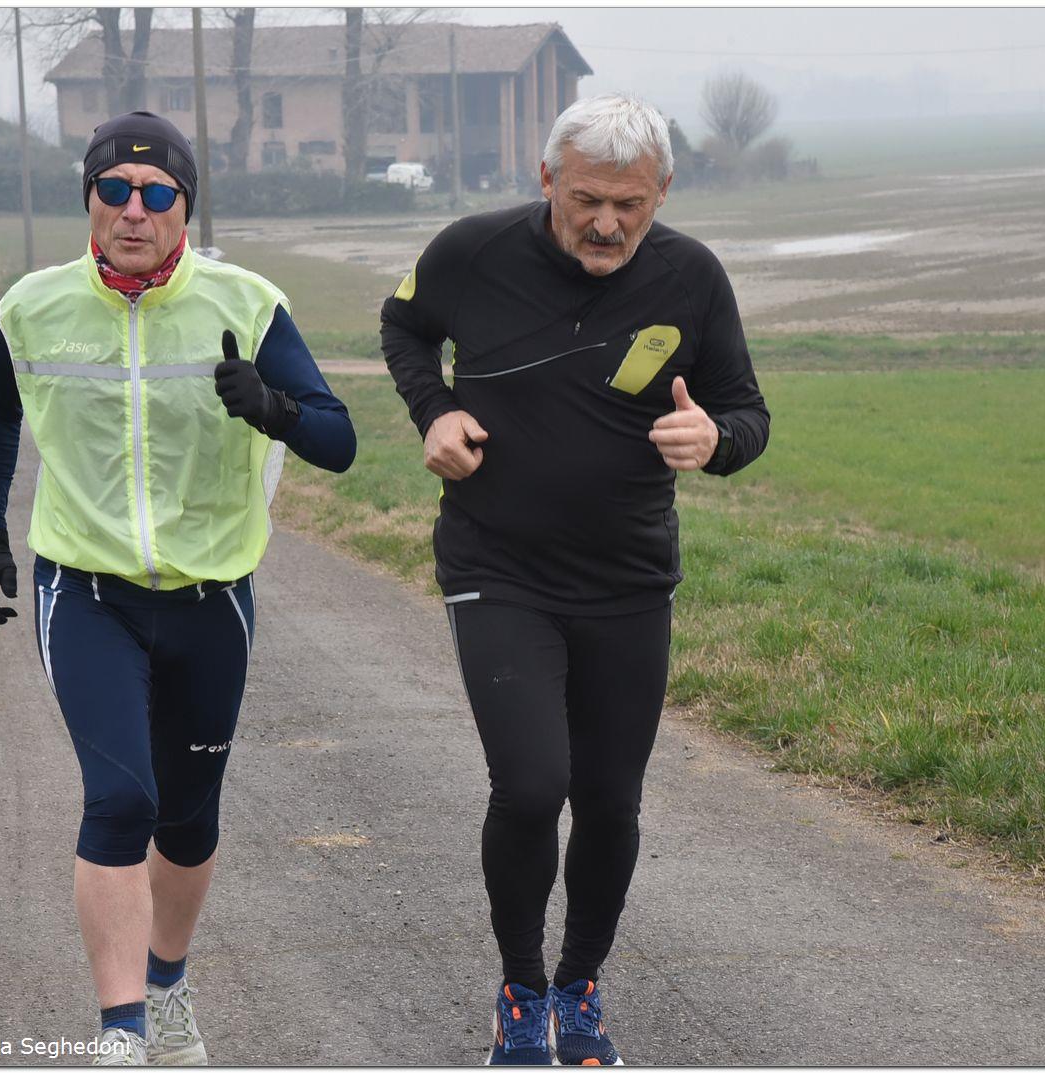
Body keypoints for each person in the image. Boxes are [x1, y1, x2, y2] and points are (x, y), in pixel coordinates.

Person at [0, 110, 355, 1066]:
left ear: (185, 207)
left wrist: (271, 406)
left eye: (156, 193)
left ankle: (168, 985)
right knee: (120, 798)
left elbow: (338, 439)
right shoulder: (32, 306)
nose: (133, 210)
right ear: (89, 201)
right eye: (114, 190)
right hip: (84, 590)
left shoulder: (247, 302)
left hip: (210, 598)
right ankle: (122, 1033)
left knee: (186, 816)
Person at [380, 94, 770, 1066]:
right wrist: (433, 411)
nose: (606, 223)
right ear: (547, 177)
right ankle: (521, 994)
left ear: (662, 191)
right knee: (529, 785)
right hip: (496, 565)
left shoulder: (692, 277)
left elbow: (747, 411)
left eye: (629, 205)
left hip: (628, 578)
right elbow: (402, 324)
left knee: (607, 799)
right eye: (587, 199)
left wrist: (715, 438)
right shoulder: (472, 250)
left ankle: (578, 988)